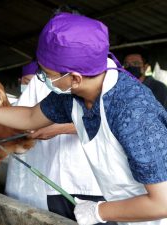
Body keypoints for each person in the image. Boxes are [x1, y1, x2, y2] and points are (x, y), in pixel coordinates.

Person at [0, 12, 167, 225]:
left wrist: (100, 211)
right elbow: (29, 116)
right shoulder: (73, 94)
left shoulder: (134, 113)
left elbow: (161, 203)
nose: (42, 79)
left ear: (75, 77)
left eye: (47, 74)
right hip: (122, 207)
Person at [6, 61, 115, 224]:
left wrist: (57, 128)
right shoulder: (42, 80)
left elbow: (108, 119)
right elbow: (23, 117)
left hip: (97, 182)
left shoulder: (107, 76)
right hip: (58, 182)